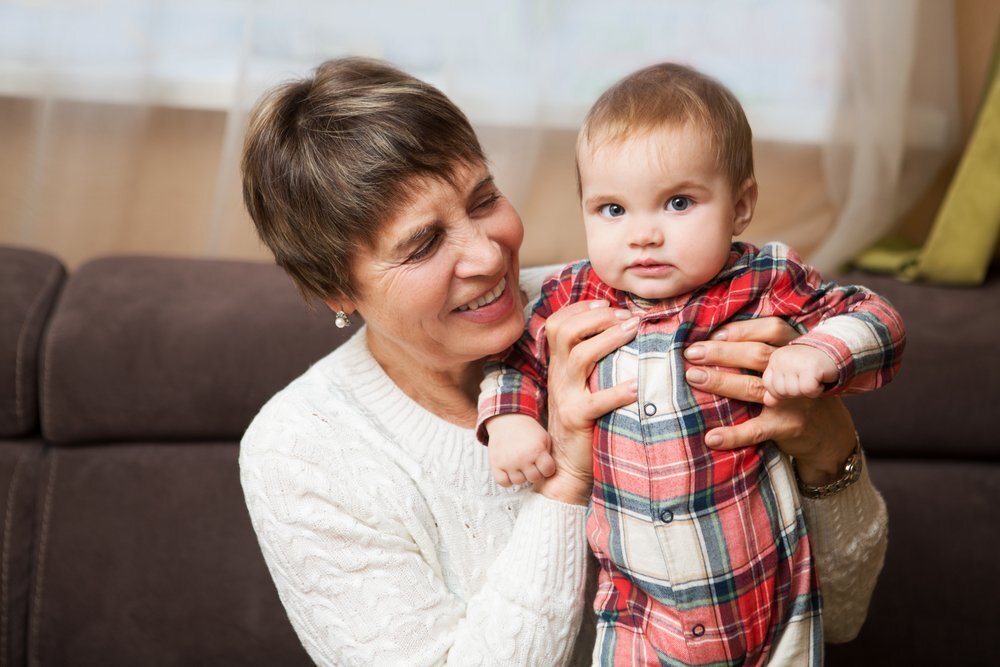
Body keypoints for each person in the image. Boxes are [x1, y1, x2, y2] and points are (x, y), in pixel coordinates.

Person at [238, 56, 889, 666]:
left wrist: (826, 445)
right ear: (337, 289)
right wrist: (565, 478)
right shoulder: (300, 450)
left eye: (483, 198)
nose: (489, 256)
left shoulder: (624, 295)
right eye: (424, 243)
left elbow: (844, 615)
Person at [477, 63, 904, 665]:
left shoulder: (763, 281)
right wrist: (509, 420)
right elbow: (513, 356)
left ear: (741, 205)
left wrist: (818, 350)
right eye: (612, 210)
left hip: (767, 603)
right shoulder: (570, 296)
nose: (643, 234)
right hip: (636, 615)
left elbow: (875, 316)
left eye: (678, 202)